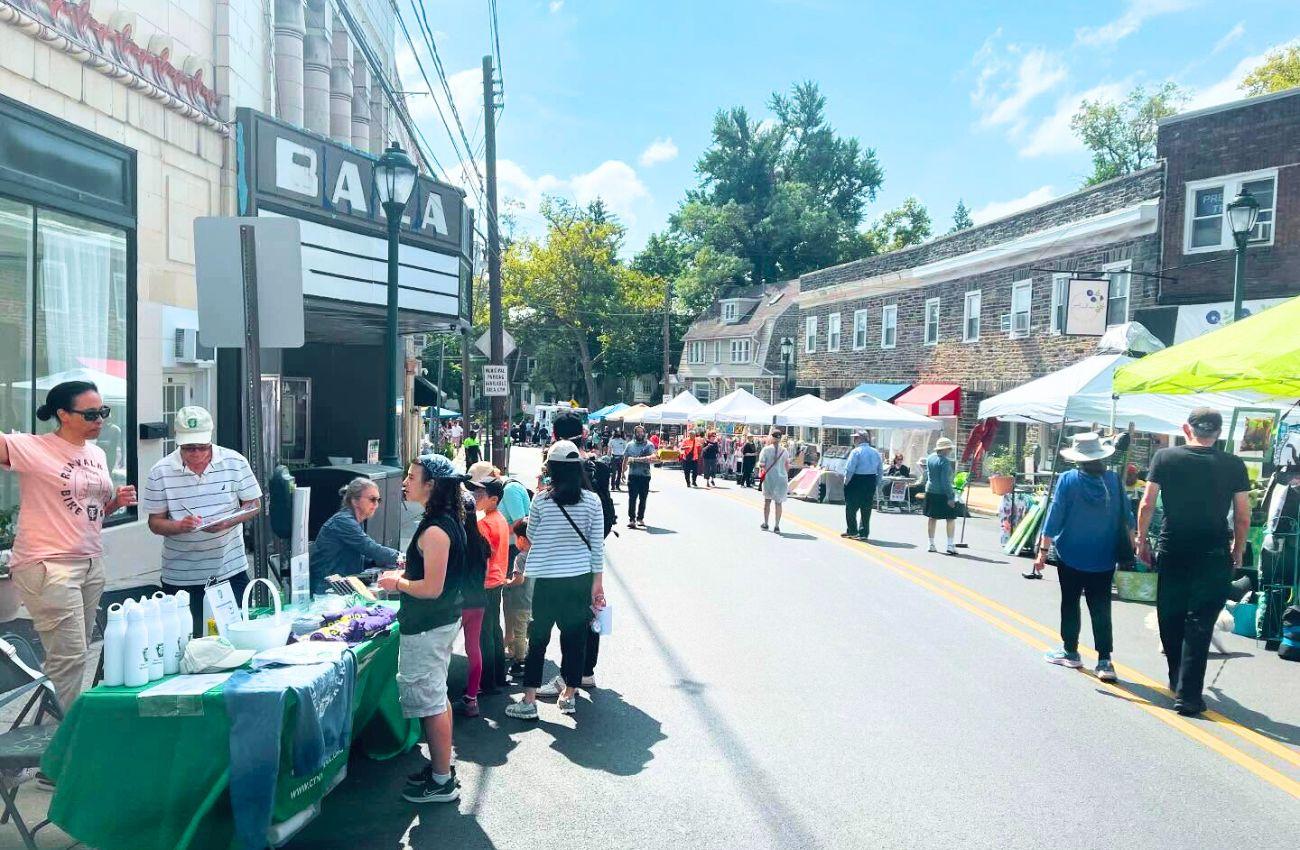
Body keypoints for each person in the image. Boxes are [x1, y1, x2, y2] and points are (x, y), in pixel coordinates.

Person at [0, 381, 136, 713]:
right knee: (70, 657)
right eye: (91, 414)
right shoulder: (33, 447)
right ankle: (65, 745)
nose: (100, 420)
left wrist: (114, 503)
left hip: (89, 562)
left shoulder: (97, 453)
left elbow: (89, 512)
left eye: (103, 411)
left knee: (75, 656)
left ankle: (61, 736)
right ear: (63, 414)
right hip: (49, 564)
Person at [1136, 408, 1250, 716]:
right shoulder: (1233, 464)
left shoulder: (1165, 458)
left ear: (1187, 428)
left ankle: (1178, 680)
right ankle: (1187, 694)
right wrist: (1238, 549)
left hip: (1174, 547)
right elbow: (1242, 515)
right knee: (1200, 621)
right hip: (1213, 551)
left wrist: (1141, 539)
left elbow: (1147, 503)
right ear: (1219, 433)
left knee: (1170, 615)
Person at [378, 454, 468, 803]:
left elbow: (431, 588)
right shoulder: (444, 521)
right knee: (436, 696)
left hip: (429, 625)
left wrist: (397, 583)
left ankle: (442, 779)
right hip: (439, 623)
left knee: (430, 703)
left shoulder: (435, 529)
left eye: (412, 477)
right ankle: (441, 770)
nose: (405, 482)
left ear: (431, 485)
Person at [505, 441, 606, 720]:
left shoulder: (541, 500)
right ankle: (569, 695)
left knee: (538, 638)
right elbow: (596, 545)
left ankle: (528, 700)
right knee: (574, 639)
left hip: (547, 580)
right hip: (579, 580)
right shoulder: (592, 501)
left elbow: (533, 537)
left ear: (552, 468)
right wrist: (597, 584)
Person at [141, 406, 262, 631]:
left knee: (235, 633)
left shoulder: (234, 461)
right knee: (188, 639)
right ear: (178, 443)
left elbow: (253, 504)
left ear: (210, 440)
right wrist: (179, 526)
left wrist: (229, 521)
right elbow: (154, 522)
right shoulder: (160, 471)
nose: (196, 454)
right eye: (188, 448)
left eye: (202, 447)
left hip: (230, 568)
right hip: (182, 574)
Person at [1035, 433, 1126, 683]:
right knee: (1101, 607)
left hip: (1071, 554)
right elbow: (1126, 517)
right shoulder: (1114, 481)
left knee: (1070, 602)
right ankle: (1105, 660)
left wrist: (1042, 552)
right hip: (1105, 555)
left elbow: (1054, 518)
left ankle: (1071, 651)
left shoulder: (1067, 480)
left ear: (1077, 459)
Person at [310, 478, 401, 595]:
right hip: (326, 591)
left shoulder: (353, 520)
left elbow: (360, 555)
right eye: (372, 499)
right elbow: (370, 548)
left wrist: (378, 561)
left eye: (379, 500)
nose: (376, 505)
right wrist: (401, 558)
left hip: (340, 586)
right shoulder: (344, 521)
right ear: (355, 501)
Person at [468, 475, 510, 696]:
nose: (475, 497)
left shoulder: (483, 524)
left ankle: (487, 681)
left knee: (484, 632)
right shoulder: (500, 519)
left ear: (493, 499)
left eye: (480, 494)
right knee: (494, 628)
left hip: (484, 582)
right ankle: (498, 677)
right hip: (497, 578)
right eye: (474, 492)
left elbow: (480, 557)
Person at [454, 493, 489, 718]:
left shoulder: (454, 541)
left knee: (442, 649)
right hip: (478, 600)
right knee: (473, 648)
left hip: (456, 602)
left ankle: (437, 697)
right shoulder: (481, 541)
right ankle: (472, 698)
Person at [503, 520, 534, 678]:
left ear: (521, 539)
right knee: (525, 630)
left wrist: (507, 582)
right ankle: (525, 654)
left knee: (519, 632)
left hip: (520, 601)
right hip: (531, 600)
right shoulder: (535, 554)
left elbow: (519, 580)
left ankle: (519, 662)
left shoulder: (520, 557)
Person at [842, 431, 883, 541]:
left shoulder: (856, 452)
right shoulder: (875, 452)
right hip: (870, 480)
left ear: (861, 439)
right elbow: (880, 470)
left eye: (856, 438)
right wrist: (877, 483)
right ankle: (864, 532)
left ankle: (852, 530)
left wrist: (846, 482)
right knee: (866, 508)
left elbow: (850, 469)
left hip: (857, 480)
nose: (854, 440)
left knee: (851, 507)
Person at [922, 437, 959, 555]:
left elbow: (928, 474)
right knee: (950, 518)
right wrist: (950, 496)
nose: (950, 451)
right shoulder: (944, 461)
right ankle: (950, 545)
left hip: (930, 490)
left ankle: (931, 543)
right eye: (948, 448)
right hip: (942, 492)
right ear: (944, 449)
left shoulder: (930, 458)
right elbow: (945, 481)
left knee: (932, 518)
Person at [623, 425, 657, 529]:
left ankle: (640, 518)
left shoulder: (649, 445)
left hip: (645, 475)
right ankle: (632, 519)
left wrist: (636, 460)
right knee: (632, 498)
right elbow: (625, 458)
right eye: (637, 432)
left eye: (641, 432)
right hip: (633, 475)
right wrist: (622, 471)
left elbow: (653, 458)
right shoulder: (630, 445)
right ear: (635, 433)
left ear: (644, 433)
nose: (640, 434)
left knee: (643, 498)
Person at [758, 429, 791, 534]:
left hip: (770, 478)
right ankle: (777, 525)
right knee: (778, 502)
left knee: (767, 501)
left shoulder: (766, 450)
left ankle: (766, 523)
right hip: (782, 479)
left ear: (772, 437)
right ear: (780, 438)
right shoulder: (785, 451)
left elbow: (762, 464)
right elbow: (787, 466)